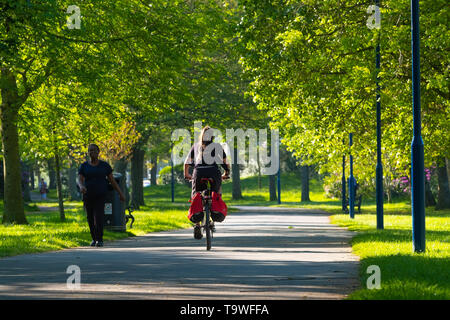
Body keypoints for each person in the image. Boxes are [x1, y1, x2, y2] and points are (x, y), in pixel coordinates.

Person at [184, 126, 230, 240]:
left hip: (199, 172)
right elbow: (225, 162)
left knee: (196, 194)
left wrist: (187, 175)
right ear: (212, 136)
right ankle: (215, 207)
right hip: (213, 172)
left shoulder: (196, 146)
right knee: (217, 191)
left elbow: (187, 163)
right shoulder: (217, 146)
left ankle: (197, 225)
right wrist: (226, 174)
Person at [78, 144, 125, 247]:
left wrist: (120, 194)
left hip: (101, 195)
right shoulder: (84, 166)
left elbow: (112, 181)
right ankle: (94, 238)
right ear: (88, 152)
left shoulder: (104, 166)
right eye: (90, 150)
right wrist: (81, 186)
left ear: (98, 152)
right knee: (90, 217)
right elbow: (80, 179)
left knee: (98, 216)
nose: (92, 152)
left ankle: (100, 239)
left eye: (94, 150)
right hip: (88, 195)